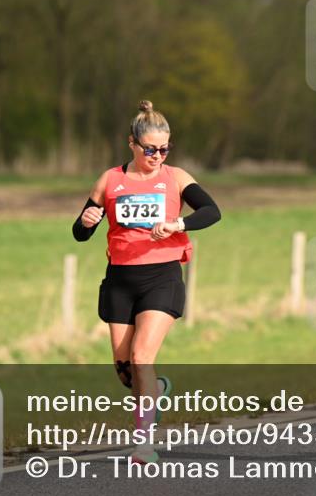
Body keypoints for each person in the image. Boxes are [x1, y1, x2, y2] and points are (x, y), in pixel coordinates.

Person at [72, 100, 221, 461]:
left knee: (141, 357)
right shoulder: (110, 180)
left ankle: (144, 444)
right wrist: (86, 223)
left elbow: (212, 211)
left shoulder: (176, 177)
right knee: (126, 371)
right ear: (132, 144)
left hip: (162, 276)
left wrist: (178, 224)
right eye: (150, 149)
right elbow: (80, 231)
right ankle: (157, 389)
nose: (157, 156)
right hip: (120, 279)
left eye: (164, 149)